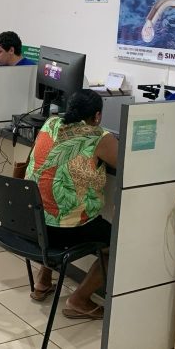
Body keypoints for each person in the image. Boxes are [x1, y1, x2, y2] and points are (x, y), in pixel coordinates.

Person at [25, 89, 118, 320]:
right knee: (117, 244)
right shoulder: (100, 136)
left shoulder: (51, 123)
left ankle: (43, 281)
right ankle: (79, 300)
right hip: (64, 230)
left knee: (50, 203)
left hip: (32, 222)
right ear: (97, 116)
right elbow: (127, 164)